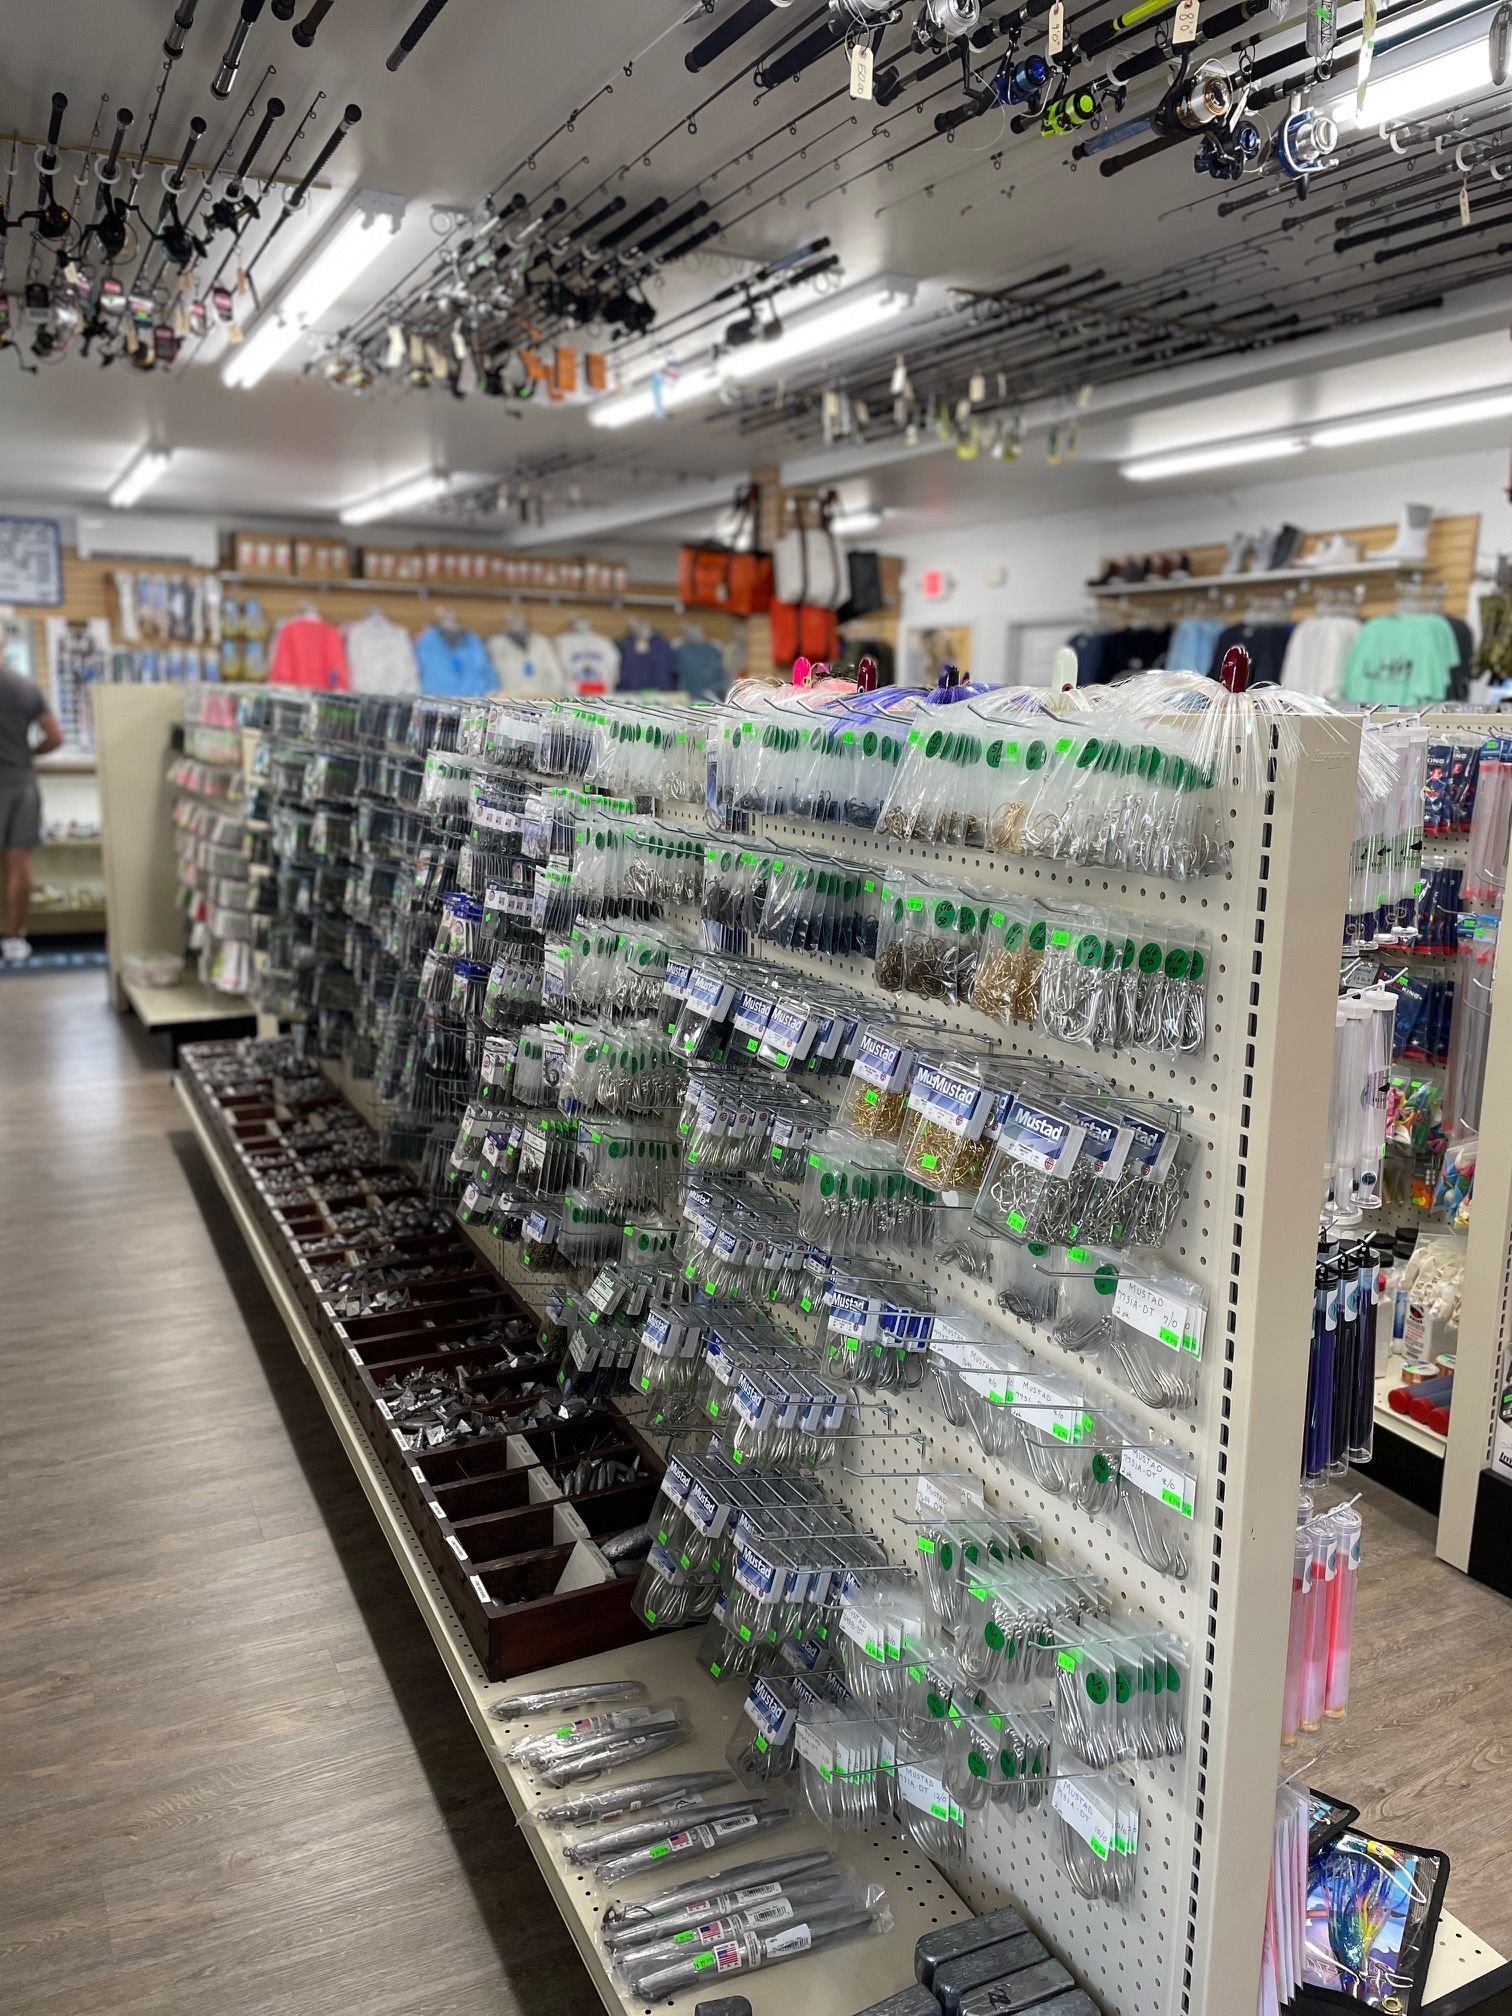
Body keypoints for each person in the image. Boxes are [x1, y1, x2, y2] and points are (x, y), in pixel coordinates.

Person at [0, 667, 64, 962]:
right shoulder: (25, 686)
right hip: (21, 784)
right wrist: (27, 754)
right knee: (19, 860)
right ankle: (15, 938)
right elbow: (55, 737)